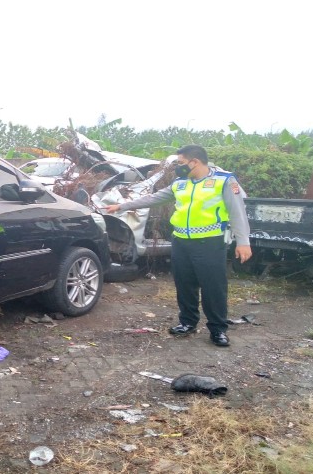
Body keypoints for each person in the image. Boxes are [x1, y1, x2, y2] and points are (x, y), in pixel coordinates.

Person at [103, 145, 252, 347]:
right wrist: (123, 206)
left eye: (181, 163)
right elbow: (154, 198)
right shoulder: (180, 183)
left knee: (213, 288)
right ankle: (187, 322)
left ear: (195, 162)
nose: (178, 167)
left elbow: (237, 212)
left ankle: (218, 329)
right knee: (184, 284)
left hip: (209, 242)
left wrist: (243, 242)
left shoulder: (223, 181)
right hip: (181, 241)